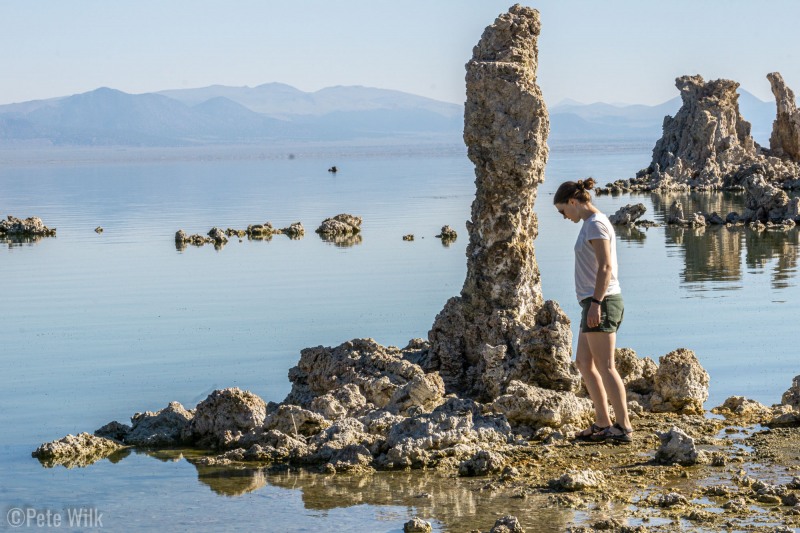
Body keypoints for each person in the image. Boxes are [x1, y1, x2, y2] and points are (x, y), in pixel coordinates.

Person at [553, 178, 633, 443]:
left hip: (603, 301)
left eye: (563, 210)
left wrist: (597, 303)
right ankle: (602, 422)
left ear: (573, 202)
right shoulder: (590, 224)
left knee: (606, 365)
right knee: (584, 363)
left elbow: (606, 267)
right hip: (592, 302)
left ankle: (623, 427)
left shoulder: (596, 224)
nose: (564, 217)